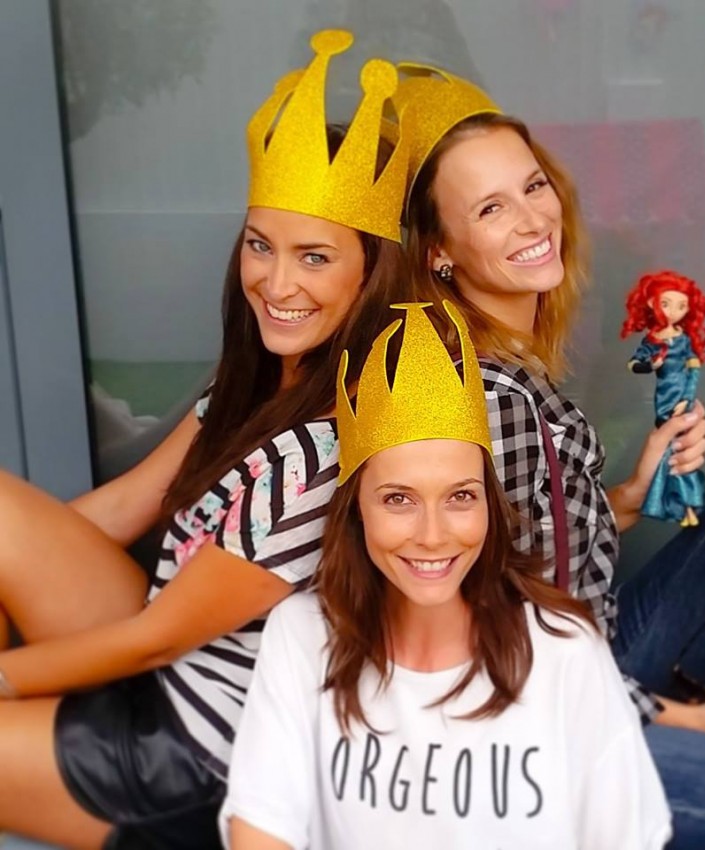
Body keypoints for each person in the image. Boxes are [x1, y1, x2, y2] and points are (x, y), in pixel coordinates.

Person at [398, 63, 705, 846]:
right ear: (441, 251)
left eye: (533, 187)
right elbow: (506, 645)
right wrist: (685, 717)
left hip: (597, 659)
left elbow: (532, 547)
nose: (532, 219)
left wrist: (630, 496)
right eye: (491, 208)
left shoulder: (508, 363)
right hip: (548, 732)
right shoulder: (483, 395)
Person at [0, 30, 411, 849]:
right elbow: (124, 506)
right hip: (157, 656)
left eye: (315, 258)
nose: (277, 282)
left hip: (193, 750)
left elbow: (159, 638)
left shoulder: (326, 450)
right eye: (261, 245)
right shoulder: (255, 386)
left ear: (370, 274)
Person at [222, 301, 672, 850]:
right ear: (356, 508)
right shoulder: (304, 635)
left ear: (490, 506)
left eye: (460, 497)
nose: (433, 535)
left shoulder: (563, 648)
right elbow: (261, 829)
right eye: (398, 499)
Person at [622, 270, 705, 527]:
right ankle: (678, 506)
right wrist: (651, 365)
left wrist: (687, 398)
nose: (674, 312)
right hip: (664, 398)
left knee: (679, 452)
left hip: (682, 397)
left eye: (681, 306)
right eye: (666, 303)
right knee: (673, 453)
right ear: (652, 303)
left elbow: (694, 371)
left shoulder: (683, 340)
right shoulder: (652, 340)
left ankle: (686, 506)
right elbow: (633, 364)